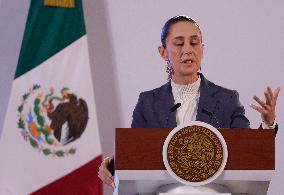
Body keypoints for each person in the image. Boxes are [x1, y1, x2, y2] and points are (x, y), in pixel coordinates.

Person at [98, 15, 281, 187]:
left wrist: (267, 125)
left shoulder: (227, 99)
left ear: (202, 49)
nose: (188, 50)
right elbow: (137, 154)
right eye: (179, 43)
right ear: (163, 52)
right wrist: (114, 164)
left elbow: (247, 153)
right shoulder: (148, 102)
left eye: (194, 43)